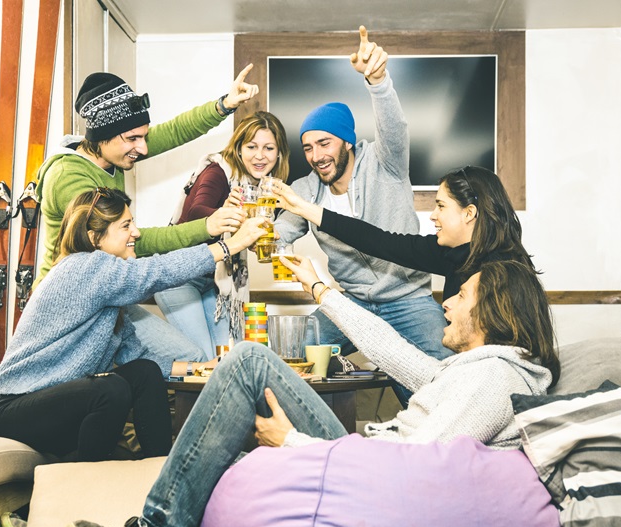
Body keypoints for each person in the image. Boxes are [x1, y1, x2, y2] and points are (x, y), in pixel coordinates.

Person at [67, 258, 560, 527]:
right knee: (228, 446)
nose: (446, 303)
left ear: (494, 311)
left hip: (370, 478)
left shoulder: (494, 377)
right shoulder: (474, 370)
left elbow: (414, 472)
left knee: (247, 362)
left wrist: (293, 441)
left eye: (462, 296)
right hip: (362, 457)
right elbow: (390, 350)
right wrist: (319, 287)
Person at [0, 187, 269, 462]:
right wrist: (230, 245)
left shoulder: (109, 292)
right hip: (10, 409)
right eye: (126, 225)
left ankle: (159, 469)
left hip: (52, 406)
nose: (137, 233)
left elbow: (139, 358)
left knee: (143, 372)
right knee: (111, 388)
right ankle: (86, 486)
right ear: (95, 238)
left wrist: (203, 367)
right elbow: (158, 272)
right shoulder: (84, 266)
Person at [32, 67, 259, 371]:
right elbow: (132, 240)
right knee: (188, 361)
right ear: (103, 137)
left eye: (144, 136)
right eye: (133, 139)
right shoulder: (70, 177)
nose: (144, 148)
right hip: (67, 305)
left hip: (108, 290)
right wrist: (208, 226)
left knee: (171, 368)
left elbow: (174, 131)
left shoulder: (112, 153)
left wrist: (224, 105)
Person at [272, 26, 452, 381]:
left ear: (347, 143)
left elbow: (394, 126)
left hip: (409, 299)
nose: (316, 155)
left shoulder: (386, 163)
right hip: (351, 302)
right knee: (287, 356)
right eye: (308, 147)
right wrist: (262, 233)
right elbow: (279, 235)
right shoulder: (305, 189)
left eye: (325, 144)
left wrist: (378, 80)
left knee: (436, 382)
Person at [273, 165, 534, 301]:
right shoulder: (449, 253)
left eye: (441, 206)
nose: (433, 215)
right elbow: (378, 241)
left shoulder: (502, 274)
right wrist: (304, 208)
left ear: (469, 213)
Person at [154, 111, 290, 358]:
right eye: (252, 147)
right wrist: (226, 213)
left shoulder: (264, 190)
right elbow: (196, 211)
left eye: (269, 148)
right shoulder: (218, 171)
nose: (260, 156)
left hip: (213, 282)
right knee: (204, 359)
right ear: (238, 149)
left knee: (228, 358)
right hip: (178, 276)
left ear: (279, 153)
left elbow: (250, 240)